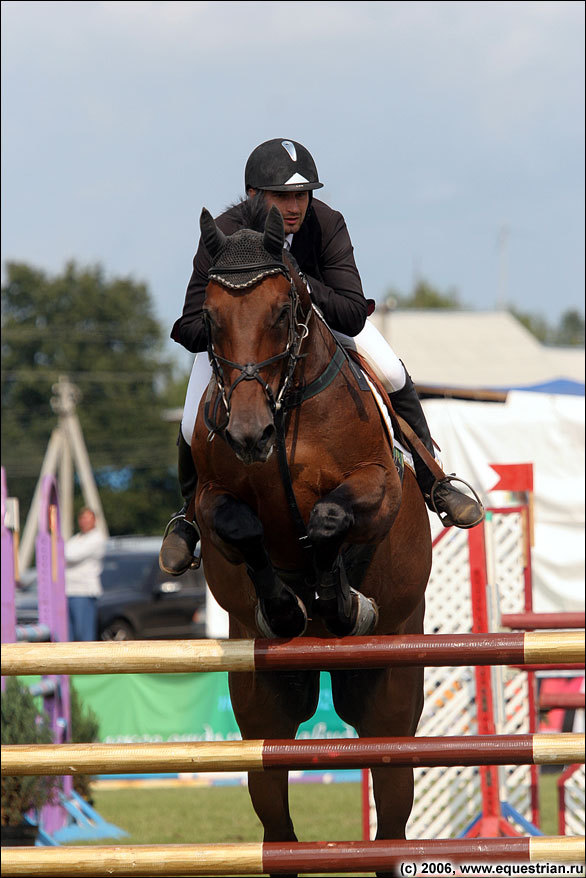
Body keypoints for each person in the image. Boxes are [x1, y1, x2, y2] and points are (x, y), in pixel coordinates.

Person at [160, 138, 484, 576]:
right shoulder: (224, 234)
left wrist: (299, 287)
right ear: (254, 195)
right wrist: (232, 325)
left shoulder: (327, 223)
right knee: (187, 420)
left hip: (322, 326)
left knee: (389, 369)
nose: (295, 206)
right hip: (241, 345)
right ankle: (188, 519)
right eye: (283, 196)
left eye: (302, 194)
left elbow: (352, 313)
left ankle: (434, 481)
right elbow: (187, 325)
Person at [65, 507, 106, 641]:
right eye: (83, 518)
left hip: (84, 592)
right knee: (68, 637)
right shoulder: (76, 538)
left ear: (95, 520)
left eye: (89, 518)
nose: (85, 522)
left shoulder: (97, 538)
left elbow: (70, 555)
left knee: (84, 636)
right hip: (68, 591)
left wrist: (60, 553)